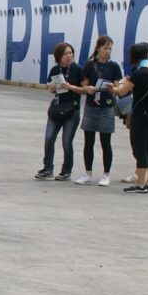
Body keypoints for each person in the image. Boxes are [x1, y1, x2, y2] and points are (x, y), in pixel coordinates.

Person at [75, 35, 122, 186]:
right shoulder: (89, 65)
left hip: (106, 106)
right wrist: (87, 88)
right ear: (98, 49)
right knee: (88, 141)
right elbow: (84, 83)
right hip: (91, 106)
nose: (108, 51)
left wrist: (112, 88)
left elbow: (117, 86)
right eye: (105, 48)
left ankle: (106, 174)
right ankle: (88, 173)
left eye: (110, 48)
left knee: (105, 142)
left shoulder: (114, 66)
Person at [35, 41, 84, 180]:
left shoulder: (78, 70)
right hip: (57, 108)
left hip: (72, 109)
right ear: (59, 57)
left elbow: (85, 89)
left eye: (70, 53)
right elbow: (51, 88)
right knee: (49, 138)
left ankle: (66, 170)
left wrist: (70, 87)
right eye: (65, 54)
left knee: (66, 141)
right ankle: (47, 168)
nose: (69, 56)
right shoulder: (55, 70)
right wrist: (53, 88)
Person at [118, 41, 148, 194]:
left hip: (139, 116)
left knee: (140, 149)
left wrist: (120, 84)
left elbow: (122, 91)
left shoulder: (139, 73)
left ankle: (140, 184)